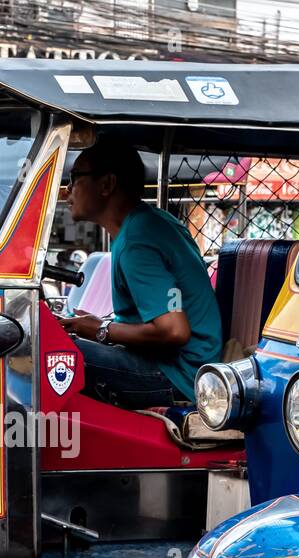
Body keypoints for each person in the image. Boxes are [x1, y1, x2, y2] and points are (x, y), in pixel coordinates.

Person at [59, 138, 222, 408]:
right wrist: (96, 325)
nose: (68, 190)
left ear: (107, 184)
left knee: (51, 353)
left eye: (75, 178)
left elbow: (174, 331)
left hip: (179, 377)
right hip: (182, 367)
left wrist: (101, 329)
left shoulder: (138, 242)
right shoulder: (150, 223)